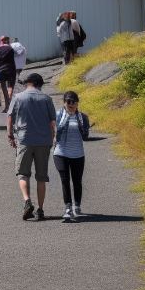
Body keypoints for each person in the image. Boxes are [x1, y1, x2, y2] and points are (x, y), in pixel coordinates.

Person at [7, 73, 56, 220]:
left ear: (28, 83)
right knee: (41, 177)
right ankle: (40, 209)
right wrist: (51, 139)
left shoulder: (18, 97)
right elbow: (52, 122)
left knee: (23, 173)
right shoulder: (46, 99)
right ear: (40, 84)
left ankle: (27, 201)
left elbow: (10, 117)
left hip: (25, 139)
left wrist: (10, 136)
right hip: (43, 141)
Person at [53, 90, 90, 221]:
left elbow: (85, 137)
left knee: (77, 181)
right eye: (68, 101)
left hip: (78, 154)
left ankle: (77, 207)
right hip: (60, 153)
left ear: (77, 103)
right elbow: (52, 132)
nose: (71, 104)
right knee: (65, 180)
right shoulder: (57, 115)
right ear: (64, 102)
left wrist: (83, 128)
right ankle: (68, 208)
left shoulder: (83, 117)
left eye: (74, 102)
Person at [0, 35, 17, 110]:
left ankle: (6, 105)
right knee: (10, 86)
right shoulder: (11, 49)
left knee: (3, 87)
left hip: (0, 70)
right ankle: (9, 99)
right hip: (11, 69)